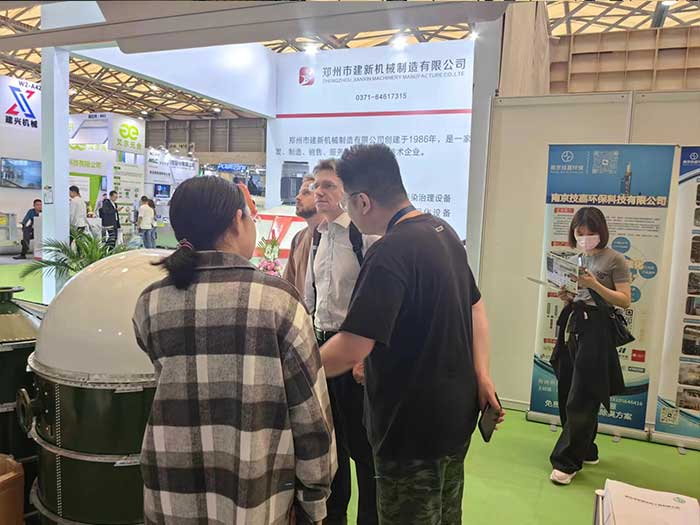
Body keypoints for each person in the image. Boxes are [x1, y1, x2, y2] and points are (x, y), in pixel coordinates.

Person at [132, 176, 336, 524]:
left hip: (170, 495)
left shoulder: (150, 302)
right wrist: (313, 502)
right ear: (237, 220)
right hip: (256, 500)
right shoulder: (278, 301)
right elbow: (311, 417)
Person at [320, 144, 503, 525]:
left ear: (363, 201)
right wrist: (482, 374)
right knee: (446, 515)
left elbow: (352, 346)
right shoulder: (443, 232)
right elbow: (476, 307)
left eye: (347, 202)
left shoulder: (389, 252)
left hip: (410, 429)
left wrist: (295, 367)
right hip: (455, 416)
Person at [303, 159, 379, 525]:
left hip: (354, 354)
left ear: (347, 192)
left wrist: (366, 356)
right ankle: (335, 517)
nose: (319, 192)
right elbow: (312, 297)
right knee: (331, 444)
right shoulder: (317, 236)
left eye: (328, 185)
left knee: (363, 448)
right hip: (322, 351)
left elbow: (379, 303)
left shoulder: (363, 237)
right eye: (316, 185)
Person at [549, 207, 630, 486]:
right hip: (576, 324)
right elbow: (579, 295)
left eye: (590, 233)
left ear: (601, 232)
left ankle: (567, 461)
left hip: (597, 330)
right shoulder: (577, 258)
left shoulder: (615, 259)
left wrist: (594, 284)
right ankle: (586, 449)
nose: (584, 237)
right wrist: (567, 296)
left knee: (582, 395)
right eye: (579, 232)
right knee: (569, 387)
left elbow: (624, 300)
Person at [282, 175, 321, 295]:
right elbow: (287, 286)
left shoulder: (337, 238)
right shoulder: (298, 239)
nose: (298, 197)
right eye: (299, 193)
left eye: (306, 193)